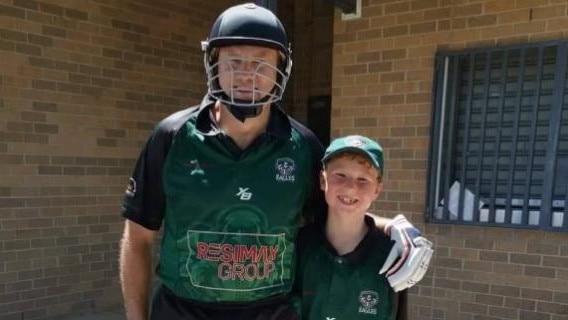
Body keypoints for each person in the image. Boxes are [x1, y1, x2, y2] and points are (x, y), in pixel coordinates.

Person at [119, 3, 432, 320]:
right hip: (182, 310)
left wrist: (390, 227)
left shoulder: (302, 146)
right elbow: (137, 238)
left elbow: (333, 212)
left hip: (270, 312)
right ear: (212, 62)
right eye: (234, 61)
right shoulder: (172, 137)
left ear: (282, 68)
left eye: (260, 63)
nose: (246, 75)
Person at [294, 135, 433, 319]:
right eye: (340, 175)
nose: (350, 188)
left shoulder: (393, 255)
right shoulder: (298, 245)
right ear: (322, 180)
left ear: (377, 189)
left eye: (363, 179)